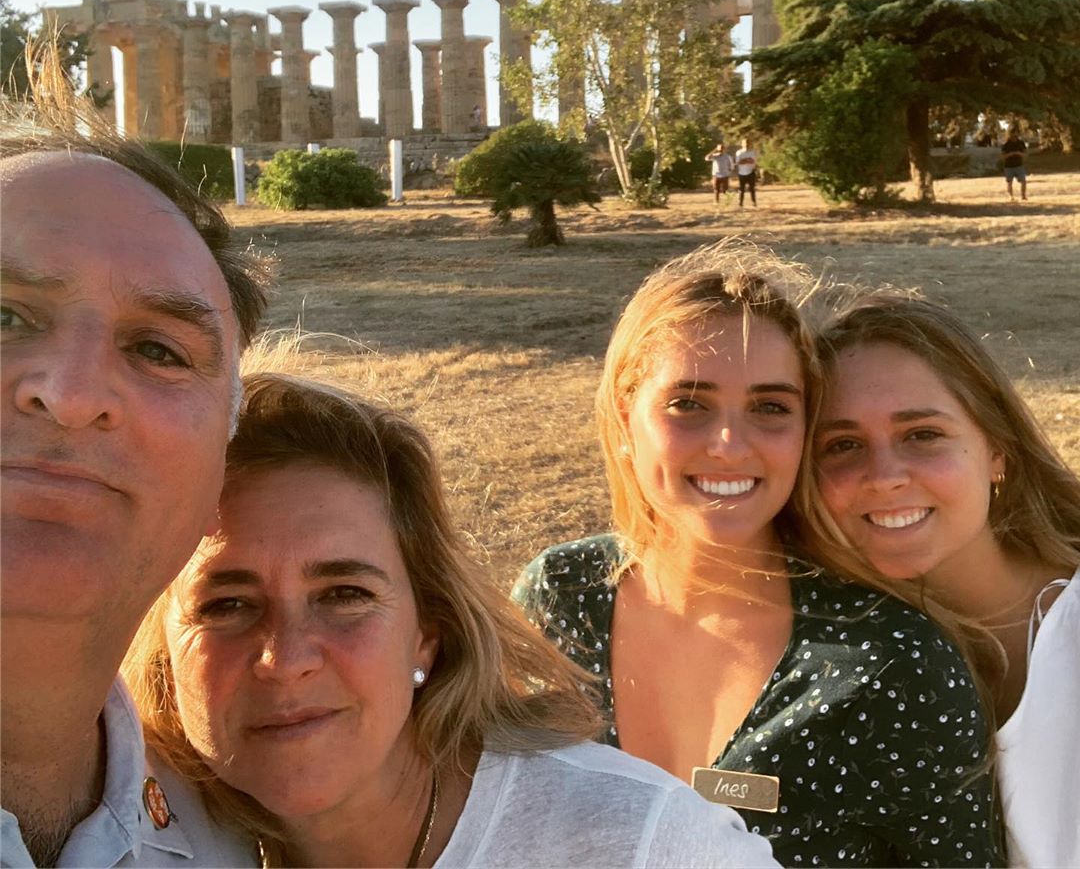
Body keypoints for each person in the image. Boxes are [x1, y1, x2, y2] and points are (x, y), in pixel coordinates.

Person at [124, 372, 778, 869]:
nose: (286, 656)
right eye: (227, 606)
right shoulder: (129, 837)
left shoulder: (639, 845)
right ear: (164, 651)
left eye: (345, 595)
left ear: (427, 632)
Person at [513, 242, 1003, 867]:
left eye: (770, 408)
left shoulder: (888, 665)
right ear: (623, 419)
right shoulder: (562, 596)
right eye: (688, 403)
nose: (728, 445)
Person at [0, 105, 270, 865]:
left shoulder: (235, 839)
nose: (73, 392)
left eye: (159, 349)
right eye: (3, 315)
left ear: (222, 465)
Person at [811, 293, 1080, 868]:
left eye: (922, 434)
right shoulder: (820, 661)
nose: (883, 478)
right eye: (842, 446)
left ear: (996, 450)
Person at [999, 128, 1028, 201]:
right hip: (1009, 166)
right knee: (1009, 182)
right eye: (1012, 133)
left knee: (1023, 181)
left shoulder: (1021, 143)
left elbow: (1025, 154)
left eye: (1016, 133)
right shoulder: (1006, 144)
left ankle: (1023, 195)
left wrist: (1019, 154)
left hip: (1019, 165)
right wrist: (1010, 154)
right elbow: (1003, 156)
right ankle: (1011, 196)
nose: (1014, 135)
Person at [734, 139, 757, 207]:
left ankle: (753, 202)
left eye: (748, 143)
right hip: (742, 173)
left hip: (751, 172)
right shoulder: (739, 152)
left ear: (750, 144)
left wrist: (744, 160)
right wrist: (747, 160)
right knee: (741, 189)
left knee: (752, 188)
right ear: (742, 144)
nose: (746, 144)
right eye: (745, 143)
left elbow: (753, 161)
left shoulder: (752, 152)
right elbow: (738, 162)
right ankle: (740, 202)